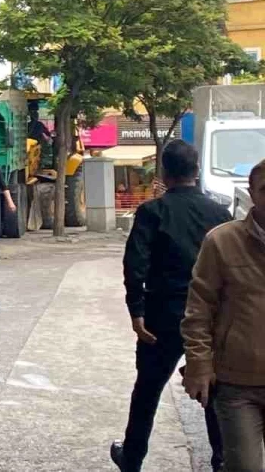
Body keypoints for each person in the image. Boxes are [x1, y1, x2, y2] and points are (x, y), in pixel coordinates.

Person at [110, 140, 229, 472]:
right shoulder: (220, 214)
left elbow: (135, 264)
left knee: (147, 389)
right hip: (211, 319)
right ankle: (221, 460)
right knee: (214, 393)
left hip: (163, 315)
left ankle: (132, 458)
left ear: (164, 173)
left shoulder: (152, 212)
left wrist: (137, 311)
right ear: (197, 171)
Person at [182, 158, 265, 472]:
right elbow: (198, 309)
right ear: (252, 193)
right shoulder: (222, 241)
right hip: (237, 383)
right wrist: (199, 365)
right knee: (244, 466)